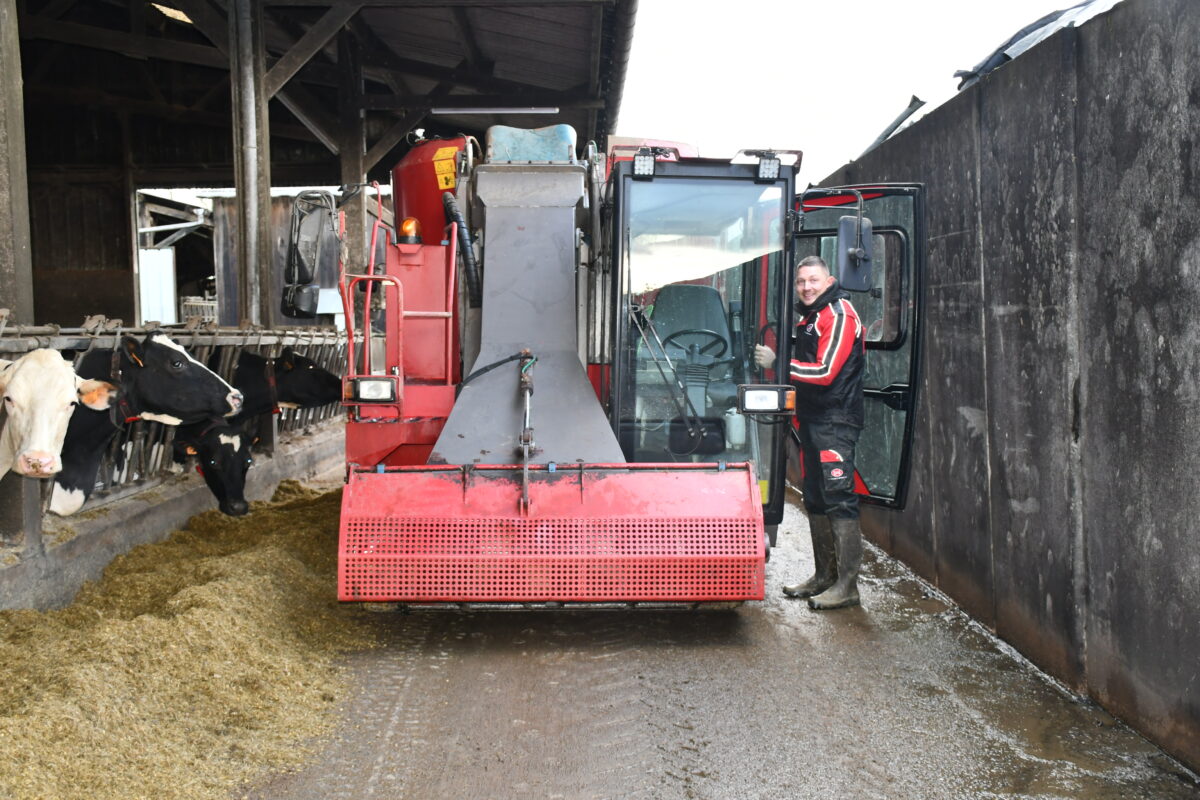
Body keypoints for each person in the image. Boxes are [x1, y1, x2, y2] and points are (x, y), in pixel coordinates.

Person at [755, 255, 866, 610]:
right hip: (815, 420)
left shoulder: (838, 314)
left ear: (828, 280)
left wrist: (778, 363)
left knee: (839, 498)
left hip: (837, 421)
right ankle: (824, 577)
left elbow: (825, 371)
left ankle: (847, 586)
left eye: (813, 280)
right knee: (816, 497)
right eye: (801, 281)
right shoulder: (811, 318)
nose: (806, 287)